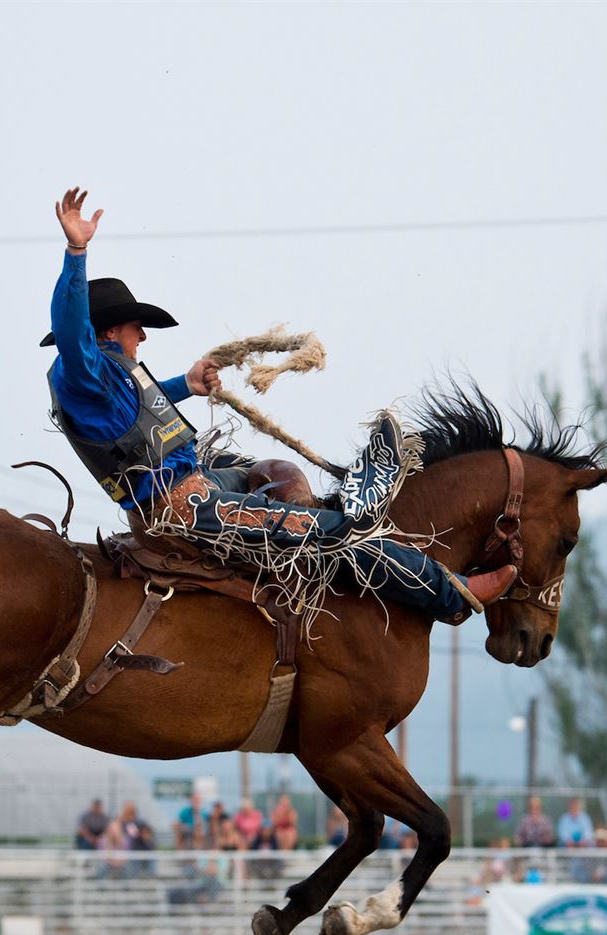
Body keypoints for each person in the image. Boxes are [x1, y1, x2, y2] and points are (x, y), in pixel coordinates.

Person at [43, 188, 518, 622]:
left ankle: (328, 508)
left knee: (272, 468)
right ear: (106, 331)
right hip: (182, 509)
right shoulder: (84, 369)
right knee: (336, 533)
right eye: (133, 326)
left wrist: (186, 383)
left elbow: (133, 416)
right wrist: (76, 251)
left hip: (192, 483)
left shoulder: (107, 377)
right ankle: (451, 591)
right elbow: (70, 328)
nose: (141, 335)